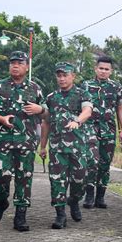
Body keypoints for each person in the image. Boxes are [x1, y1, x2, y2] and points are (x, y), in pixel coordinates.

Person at [0, 51, 47, 232]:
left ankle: (20, 215)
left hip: (27, 142)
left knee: (24, 178)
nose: (15, 66)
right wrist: (1, 119)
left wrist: (39, 108)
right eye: (12, 63)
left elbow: (48, 114)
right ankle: (1, 201)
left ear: (27, 67)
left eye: (19, 63)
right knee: (0, 176)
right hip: (4, 140)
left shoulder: (35, 88)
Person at [39, 62, 92, 229]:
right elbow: (46, 122)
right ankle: (60, 215)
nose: (61, 78)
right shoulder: (51, 98)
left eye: (65, 75)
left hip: (78, 146)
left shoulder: (82, 94)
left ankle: (74, 200)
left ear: (73, 76)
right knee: (57, 181)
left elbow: (87, 111)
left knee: (80, 178)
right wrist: (43, 146)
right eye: (59, 75)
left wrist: (77, 120)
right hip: (57, 148)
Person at [81, 56, 122, 209]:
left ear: (111, 71)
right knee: (92, 160)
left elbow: (120, 109)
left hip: (109, 129)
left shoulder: (116, 86)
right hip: (90, 127)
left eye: (106, 69)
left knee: (105, 163)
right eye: (101, 68)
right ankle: (89, 194)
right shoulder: (86, 85)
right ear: (95, 69)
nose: (103, 71)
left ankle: (100, 196)